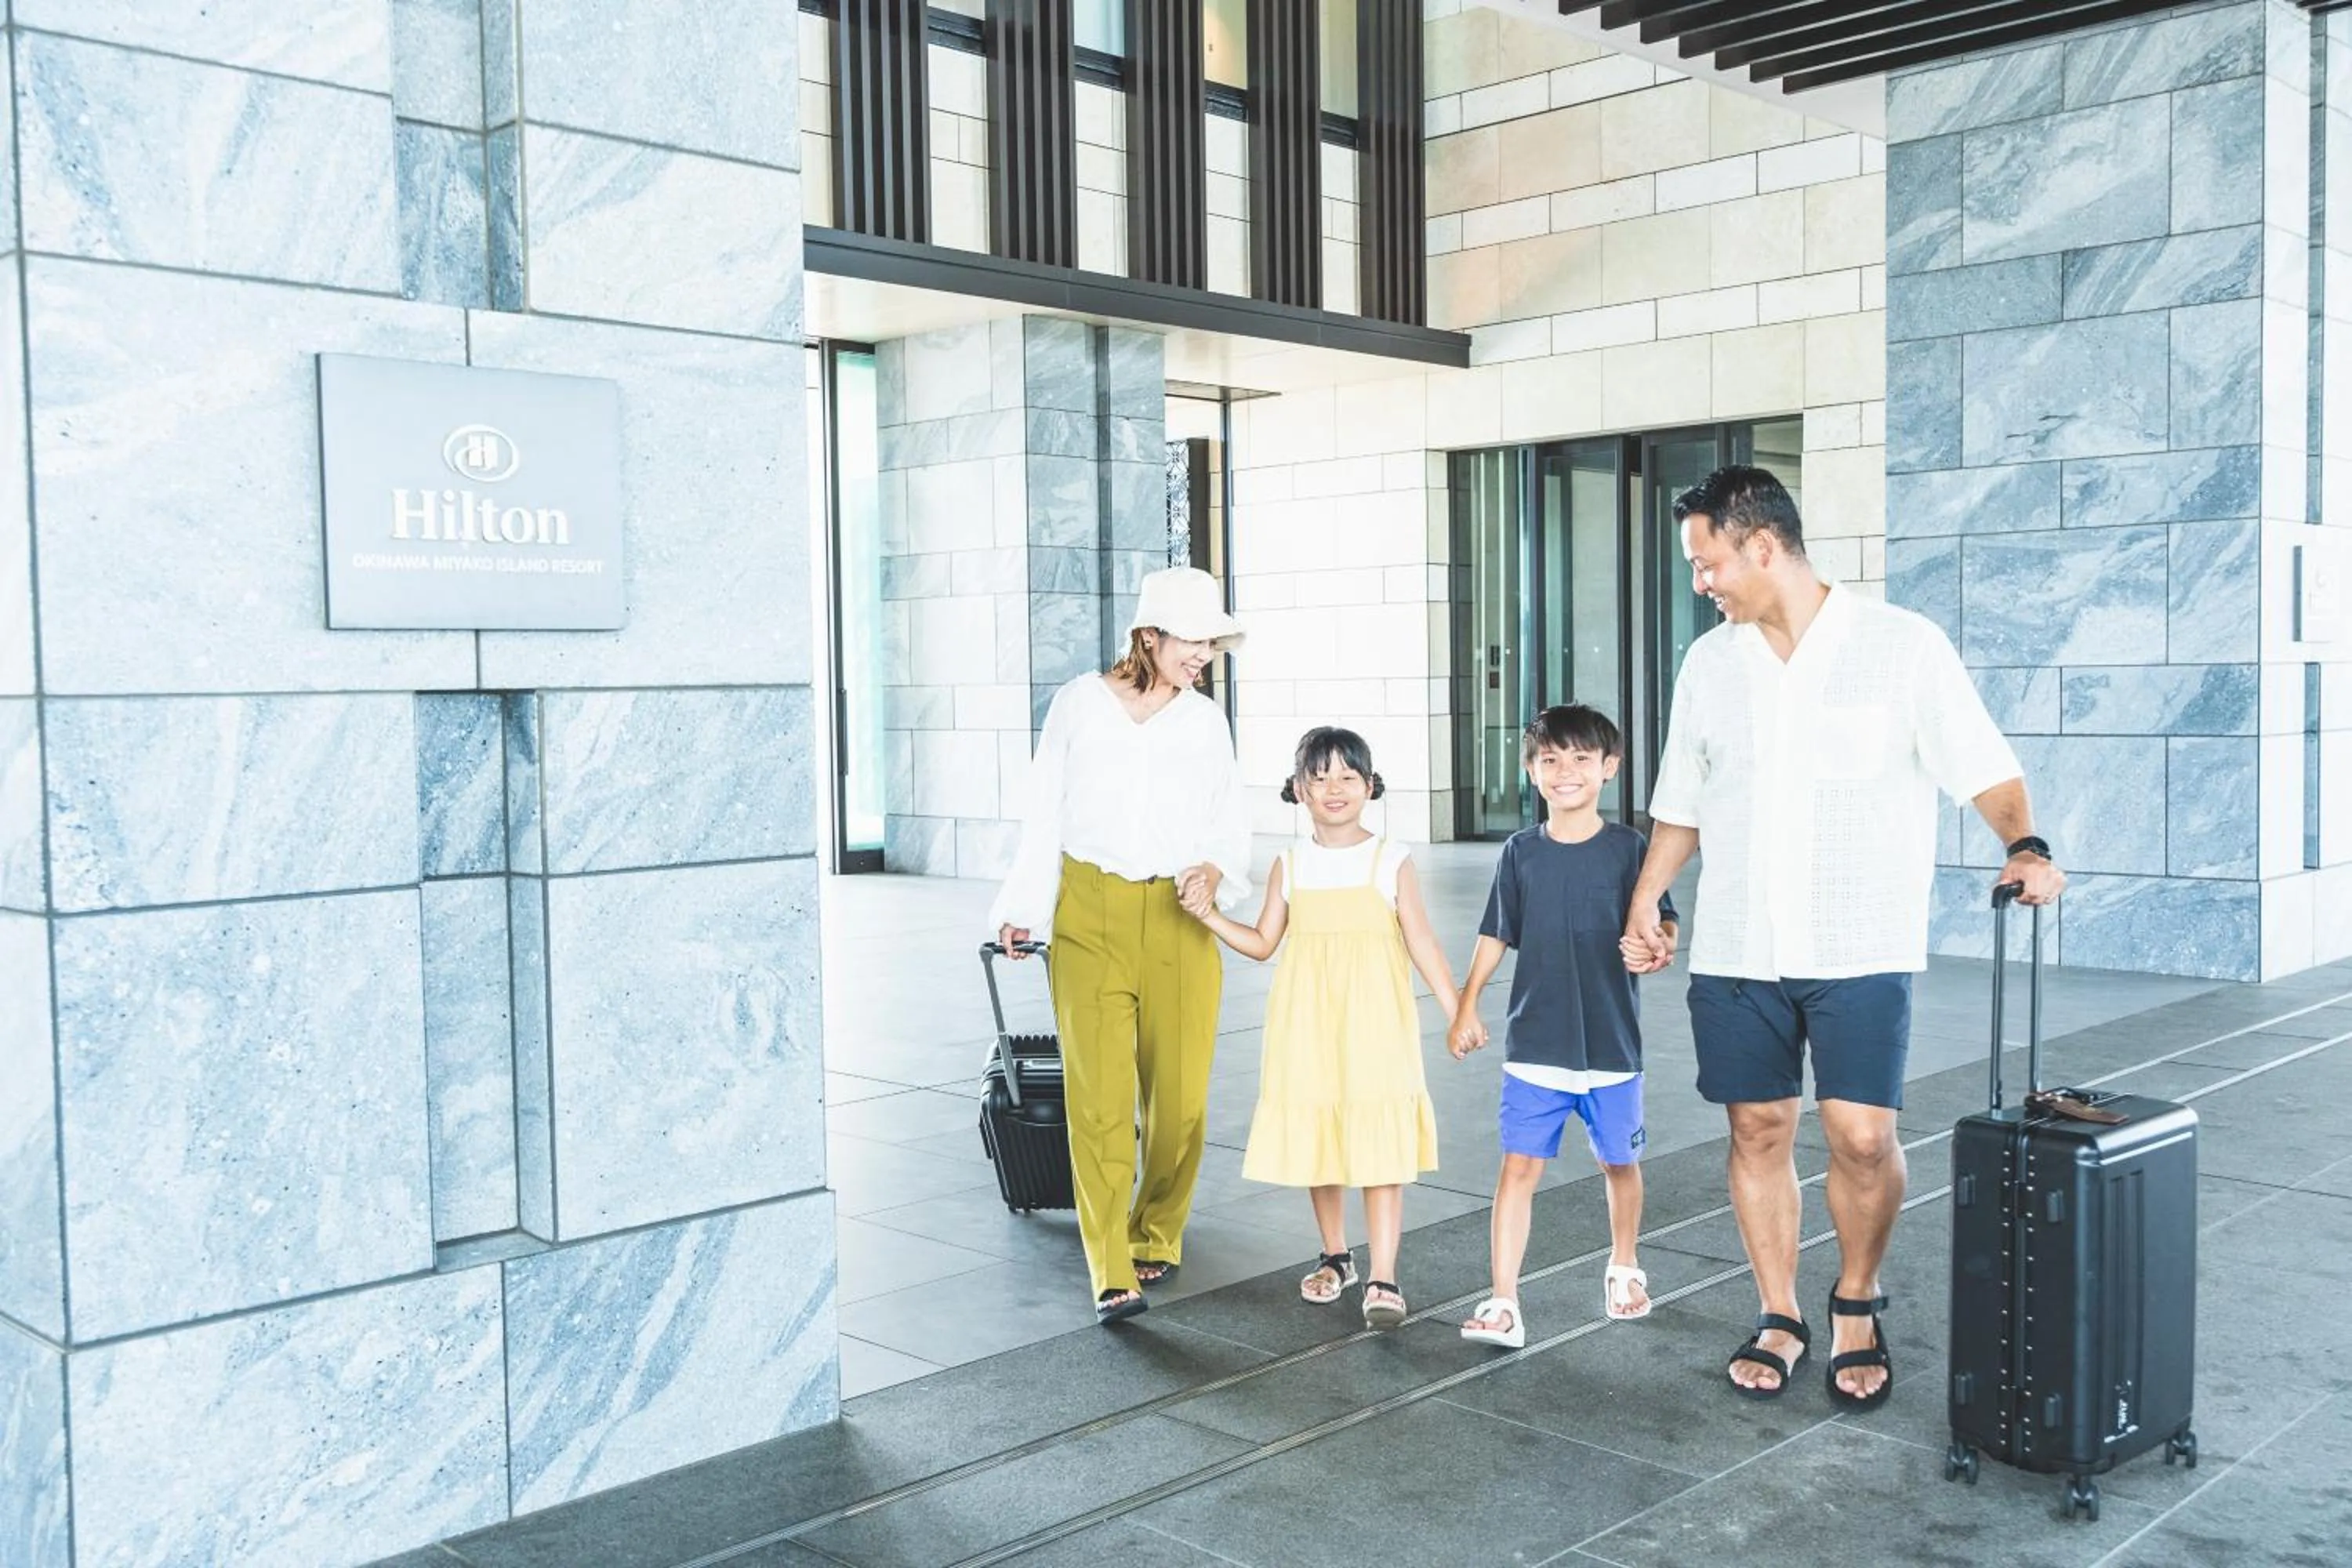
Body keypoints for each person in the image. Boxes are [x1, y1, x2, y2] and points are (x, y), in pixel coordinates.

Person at [1622, 466, 2066, 1408]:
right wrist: (1649, 899)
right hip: (1740, 943)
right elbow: (1682, 796)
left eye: (1708, 562)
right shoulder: (1711, 664)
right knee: (1758, 1125)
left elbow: (1980, 762)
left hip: (1862, 940)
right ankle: (1779, 1310)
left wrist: (2023, 845)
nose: (1701, 580)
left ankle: (1856, 1299)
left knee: (1863, 1137)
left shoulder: (1901, 647)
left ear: (1763, 547)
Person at [991, 566, 1251, 1326]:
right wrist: (1021, 909)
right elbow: (1045, 812)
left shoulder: (1205, 721)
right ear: (1150, 635)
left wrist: (1212, 868)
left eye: (1212, 641)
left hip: (1178, 917)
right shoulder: (1079, 704)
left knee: (1179, 1104)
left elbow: (1225, 819)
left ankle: (1157, 1226)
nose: (1205, 653)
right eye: (1194, 639)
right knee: (1100, 1103)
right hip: (1089, 913)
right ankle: (1109, 1262)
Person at [1195, 727, 1457, 1330]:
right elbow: (1263, 943)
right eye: (1319, 778)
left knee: (1379, 1143)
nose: (1333, 788)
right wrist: (1210, 916)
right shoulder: (1290, 865)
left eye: (1347, 776)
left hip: (1377, 1022)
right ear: (1298, 790)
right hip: (1305, 1021)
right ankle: (1336, 1256)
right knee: (1322, 1140)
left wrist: (1456, 1008)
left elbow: (1420, 939)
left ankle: (1385, 1276)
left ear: (1370, 786)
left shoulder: (1391, 858)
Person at [1450, 706, 1676, 1349]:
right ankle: (1502, 1301)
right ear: (1531, 770)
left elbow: (1663, 922)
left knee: (1619, 1163)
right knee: (1517, 1168)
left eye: (1581, 759)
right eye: (1549, 760)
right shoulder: (1520, 853)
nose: (1565, 772)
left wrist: (1657, 945)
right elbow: (1495, 934)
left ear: (1609, 767)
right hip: (1535, 1046)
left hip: (1611, 1045)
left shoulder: (1632, 849)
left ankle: (1624, 1266)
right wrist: (1467, 1006)